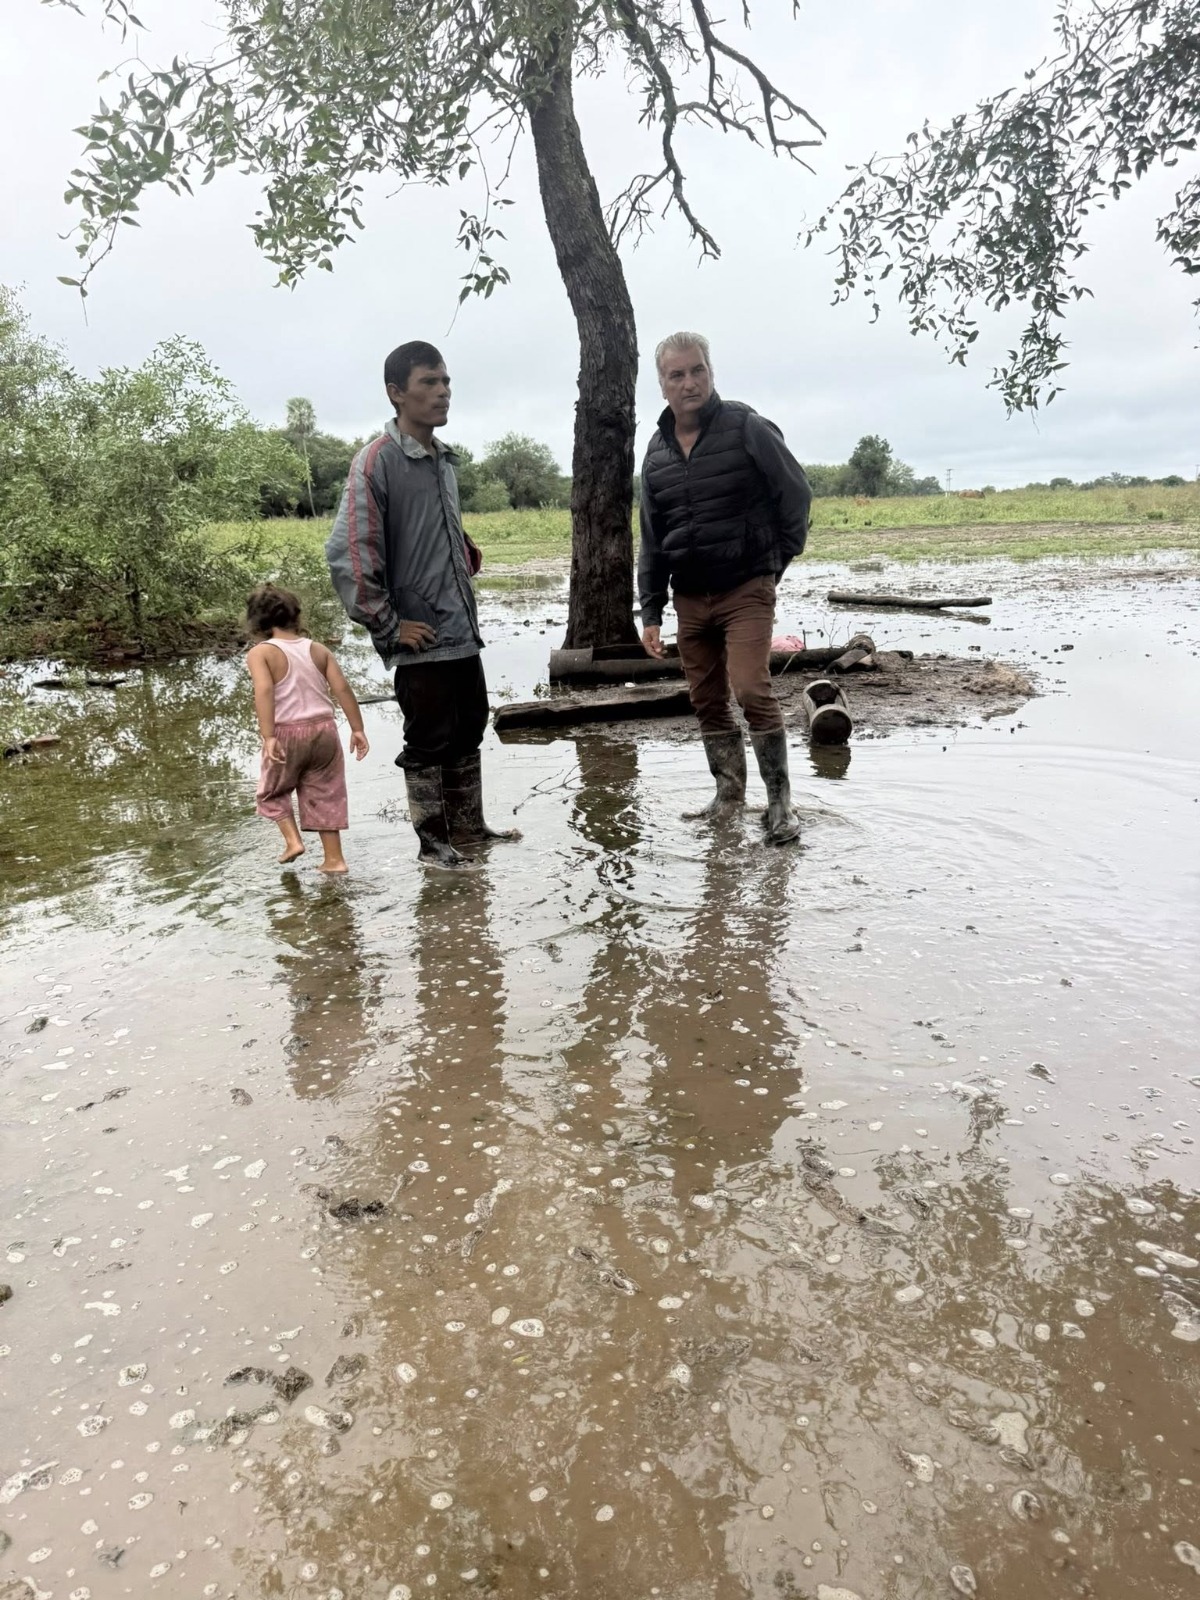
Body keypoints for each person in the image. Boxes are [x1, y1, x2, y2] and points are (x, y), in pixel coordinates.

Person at [325, 340, 519, 868]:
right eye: (429, 383)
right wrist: (388, 624)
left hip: (459, 627)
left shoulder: (442, 462)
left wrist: (464, 549)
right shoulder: (376, 462)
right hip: (420, 635)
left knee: (469, 724)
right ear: (396, 393)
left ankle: (470, 828)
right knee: (429, 738)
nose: (442, 392)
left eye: (446, 381)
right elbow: (350, 555)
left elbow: (436, 532)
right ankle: (433, 846)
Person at [638, 332, 812, 844]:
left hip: (745, 588)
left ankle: (780, 803)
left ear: (710, 373)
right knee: (707, 698)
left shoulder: (746, 427)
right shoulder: (655, 454)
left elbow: (795, 494)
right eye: (677, 375)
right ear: (662, 385)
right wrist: (650, 609)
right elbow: (651, 537)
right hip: (690, 598)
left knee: (751, 688)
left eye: (697, 371)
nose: (689, 383)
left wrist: (774, 561)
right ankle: (728, 796)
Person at [245, 583, 369, 873]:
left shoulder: (261, 652)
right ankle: (334, 860)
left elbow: (263, 691)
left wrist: (268, 736)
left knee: (272, 792)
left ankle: (293, 842)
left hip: (287, 732)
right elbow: (342, 689)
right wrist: (357, 728)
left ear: (258, 621)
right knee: (326, 791)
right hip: (325, 730)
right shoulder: (318, 649)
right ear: (296, 616)